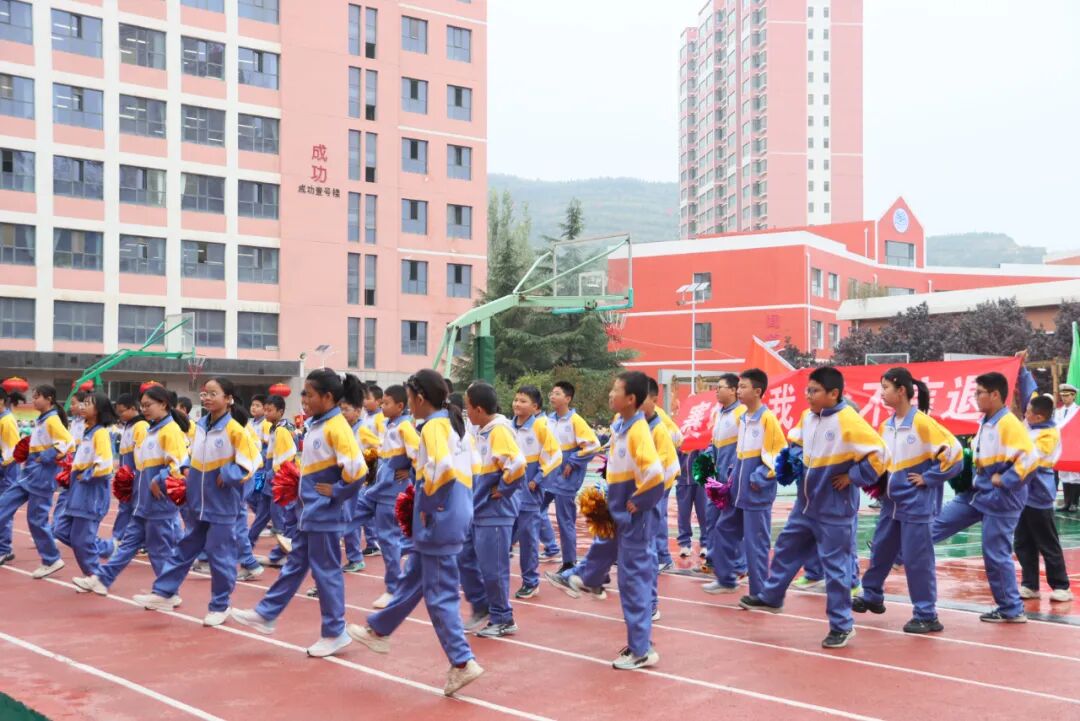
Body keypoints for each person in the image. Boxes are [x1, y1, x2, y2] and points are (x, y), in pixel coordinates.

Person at [347, 369, 484, 696]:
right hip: (455, 510)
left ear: (419, 398)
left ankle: (463, 661)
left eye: (408, 399)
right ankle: (379, 630)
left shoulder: (435, 426)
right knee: (414, 577)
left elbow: (442, 469)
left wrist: (429, 505)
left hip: (440, 516)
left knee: (439, 594)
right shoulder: (455, 425)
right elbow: (474, 468)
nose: (408, 405)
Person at [740, 367, 886, 649]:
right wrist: (791, 458)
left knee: (836, 567)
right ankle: (772, 597)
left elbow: (879, 455)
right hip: (805, 505)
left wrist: (853, 477)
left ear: (834, 393)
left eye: (815, 390)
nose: (809, 395)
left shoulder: (848, 420)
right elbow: (796, 440)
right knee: (785, 547)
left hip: (834, 509)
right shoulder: (808, 417)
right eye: (808, 390)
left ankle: (842, 625)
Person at [231, 370, 368, 658]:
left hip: (325, 515)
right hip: (310, 512)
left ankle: (335, 631)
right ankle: (267, 613)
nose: (303, 399)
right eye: (303, 393)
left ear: (328, 397)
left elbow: (357, 470)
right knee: (295, 565)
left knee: (326, 571)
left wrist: (337, 492)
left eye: (309, 394)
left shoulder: (336, 426)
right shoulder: (317, 424)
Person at [133, 377, 258, 626]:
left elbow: (252, 462)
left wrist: (229, 474)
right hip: (198, 502)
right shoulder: (200, 426)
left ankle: (220, 605)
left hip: (222, 504)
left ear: (228, 398)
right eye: (205, 393)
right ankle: (165, 592)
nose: (207, 398)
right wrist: (186, 466)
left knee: (219, 555)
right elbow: (192, 455)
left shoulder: (235, 429)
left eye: (214, 393)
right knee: (185, 548)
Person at [853, 368, 962, 633]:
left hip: (917, 505)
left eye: (886, 388)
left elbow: (956, 455)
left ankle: (926, 613)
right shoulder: (886, 425)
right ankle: (872, 595)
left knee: (917, 560)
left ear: (901, 390)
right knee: (881, 550)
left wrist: (930, 477)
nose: (882, 394)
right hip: (891, 503)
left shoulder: (923, 424)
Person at [931, 371, 1036, 623]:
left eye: (979, 393)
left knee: (995, 555)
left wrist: (1005, 480)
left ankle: (1011, 609)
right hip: (978, 493)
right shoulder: (986, 421)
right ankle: (899, 555)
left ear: (996, 395)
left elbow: (1029, 459)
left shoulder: (1008, 424)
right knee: (938, 522)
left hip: (1001, 499)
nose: (975, 397)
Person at [75, 386, 190, 596]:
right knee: (128, 545)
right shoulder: (152, 429)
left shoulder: (170, 430)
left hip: (159, 502)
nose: (144, 409)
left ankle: (168, 593)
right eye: (142, 406)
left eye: (149, 405)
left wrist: (159, 478)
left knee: (159, 551)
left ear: (163, 404)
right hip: (142, 502)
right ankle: (102, 579)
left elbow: (180, 465)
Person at [706, 369, 787, 597]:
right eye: (738, 387)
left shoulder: (766, 418)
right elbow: (738, 456)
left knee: (756, 544)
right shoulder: (743, 418)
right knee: (723, 530)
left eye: (743, 387)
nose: (739, 391)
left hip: (756, 493)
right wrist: (732, 479)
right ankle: (726, 578)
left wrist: (758, 477)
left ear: (758, 391)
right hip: (737, 491)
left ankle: (760, 594)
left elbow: (777, 455)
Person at [458, 382, 527, 637]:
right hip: (478, 508)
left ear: (478, 409)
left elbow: (517, 464)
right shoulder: (482, 431)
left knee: (493, 568)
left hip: (495, 512)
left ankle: (503, 617)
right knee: (464, 556)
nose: (467, 412)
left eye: (468, 407)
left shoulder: (499, 431)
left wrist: (504, 489)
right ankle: (482, 604)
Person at [0, 385, 73, 578]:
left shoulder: (52, 420)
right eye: (34, 395)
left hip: (42, 475)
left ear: (49, 399)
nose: (34, 399)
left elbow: (67, 442)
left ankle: (51, 559)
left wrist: (47, 456)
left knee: (36, 519)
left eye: (38, 396)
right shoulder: (42, 420)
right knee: (3, 504)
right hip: (29, 473)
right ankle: (3, 547)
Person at [364, 385, 418, 609]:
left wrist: (410, 472)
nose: (382, 406)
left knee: (388, 539)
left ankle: (394, 588)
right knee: (386, 537)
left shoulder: (405, 427)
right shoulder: (390, 424)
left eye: (386, 403)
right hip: (380, 489)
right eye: (382, 402)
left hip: (391, 492)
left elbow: (419, 455)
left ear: (400, 406)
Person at [1015, 394, 1072, 602]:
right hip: (1022, 494)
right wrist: (1020, 368)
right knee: (1022, 542)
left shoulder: (1049, 434)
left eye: (1028, 412)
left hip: (1039, 493)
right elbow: (1029, 391)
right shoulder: (1030, 425)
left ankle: (1061, 585)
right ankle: (1030, 584)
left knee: (1047, 541)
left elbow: (1031, 457)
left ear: (1038, 417)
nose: (1025, 414)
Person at [59, 392, 118, 582]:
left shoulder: (100, 433)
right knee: (60, 529)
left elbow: (105, 464)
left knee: (81, 539)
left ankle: (94, 575)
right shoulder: (87, 431)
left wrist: (87, 474)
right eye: (83, 403)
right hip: (77, 490)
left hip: (90, 492)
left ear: (99, 410)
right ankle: (107, 548)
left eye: (88, 404)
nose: (83, 406)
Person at [510, 385, 562, 600]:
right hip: (508, 492)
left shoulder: (540, 427)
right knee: (505, 536)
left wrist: (538, 479)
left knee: (528, 538)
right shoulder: (507, 427)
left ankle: (530, 581)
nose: (517, 404)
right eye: (516, 399)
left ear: (535, 406)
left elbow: (555, 455)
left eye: (523, 401)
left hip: (530, 493)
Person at [545, 381, 601, 572]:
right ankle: (547, 546)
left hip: (566, 476)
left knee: (564, 518)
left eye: (557, 393)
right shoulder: (548, 420)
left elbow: (593, 445)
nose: (552, 396)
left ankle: (569, 561)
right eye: (552, 393)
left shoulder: (575, 420)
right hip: (548, 473)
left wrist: (573, 462)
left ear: (567, 399)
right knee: (530, 510)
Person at [643, 377, 680, 620]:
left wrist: (651, 494)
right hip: (630, 497)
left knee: (647, 544)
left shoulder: (659, 426)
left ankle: (651, 603)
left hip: (650, 493)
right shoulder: (625, 424)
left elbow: (676, 442)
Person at [704, 374, 746, 575]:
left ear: (733, 390)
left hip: (731, 479)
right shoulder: (719, 413)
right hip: (716, 479)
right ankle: (714, 561)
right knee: (712, 519)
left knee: (731, 523)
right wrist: (706, 458)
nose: (716, 391)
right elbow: (714, 443)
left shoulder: (742, 413)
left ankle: (739, 564)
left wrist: (732, 473)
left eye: (720, 387)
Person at [254, 395, 297, 569]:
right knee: (262, 509)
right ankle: (247, 543)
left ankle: (283, 547)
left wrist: (273, 473)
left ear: (280, 411)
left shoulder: (281, 429)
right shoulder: (271, 427)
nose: (265, 412)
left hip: (278, 475)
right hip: (269, 471)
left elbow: (287, 455)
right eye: (265, 409)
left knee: (280, 512)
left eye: (269, 410)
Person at [112, 394, 147, 545]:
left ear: (133, 408)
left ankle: (120, 538)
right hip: (126, 477)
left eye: (122, 411)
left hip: (135, 476)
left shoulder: (141, 426)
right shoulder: (128, 426)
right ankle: (123, 538)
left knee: (132, 509)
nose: (120, 416)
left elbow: (140, 455)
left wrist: (135, 475)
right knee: (126, 507)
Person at [0, 385, 26, 566]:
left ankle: (4, 549)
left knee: (4, 509)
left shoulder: (7, 421)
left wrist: (3, 465)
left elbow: (12, 451)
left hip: (7, 471)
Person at [1055, 383, 1078, 512]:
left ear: (1073, 396)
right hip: (1062, 445)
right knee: (1063, 474)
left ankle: (1074, 502)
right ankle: (1067, 502)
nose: (1064, 398)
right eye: (1062, 396)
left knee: (1075, 475)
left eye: (1067, 396)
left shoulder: (1078, 411)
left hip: (1074, 446)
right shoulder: (1058, 412)